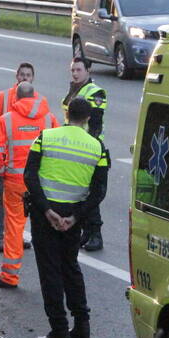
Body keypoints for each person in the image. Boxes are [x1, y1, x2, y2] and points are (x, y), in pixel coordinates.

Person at [24, 97, 109, 338]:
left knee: (50, 271)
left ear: (67, 113)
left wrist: (47, 210)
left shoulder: (45, 137)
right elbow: (99, 191)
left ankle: (59, 330)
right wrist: (76, 217)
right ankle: (82, 325)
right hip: (73, 217)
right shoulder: (98, 147)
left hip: (45, 215)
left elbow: (30, 175)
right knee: (70, 267)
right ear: (87, 118)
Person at [0, 82, 59, 289]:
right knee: (45, 226)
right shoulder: (49, 119)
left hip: (16, 182)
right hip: (42, 184)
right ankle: (53, 274)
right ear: (35, 97)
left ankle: (10, 276)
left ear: (15, 99)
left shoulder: (7, 120)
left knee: (15, 228)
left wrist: (1, 170)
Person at [0, 62, 36, 253]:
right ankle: (0, 236)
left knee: (24, 201)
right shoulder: (5, 97)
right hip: (6, 160)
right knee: (2, 198)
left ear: (32, 78)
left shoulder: (36, 100)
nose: (24, 77)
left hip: (27, 162)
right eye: (22, 74)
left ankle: (18, 234)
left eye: (28, 75)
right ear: (16, 77)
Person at [62, 57, 107, 252]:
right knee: (80, 189)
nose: (75, 73)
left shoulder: (95, 92)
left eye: (79, 70)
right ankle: (86, 232)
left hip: (90, 147)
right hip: (73, 145)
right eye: (72, 70)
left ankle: (95, 234)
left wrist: (90, 147)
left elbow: (95, 124)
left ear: (88, 70)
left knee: (91, 190)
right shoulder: (74, 89)